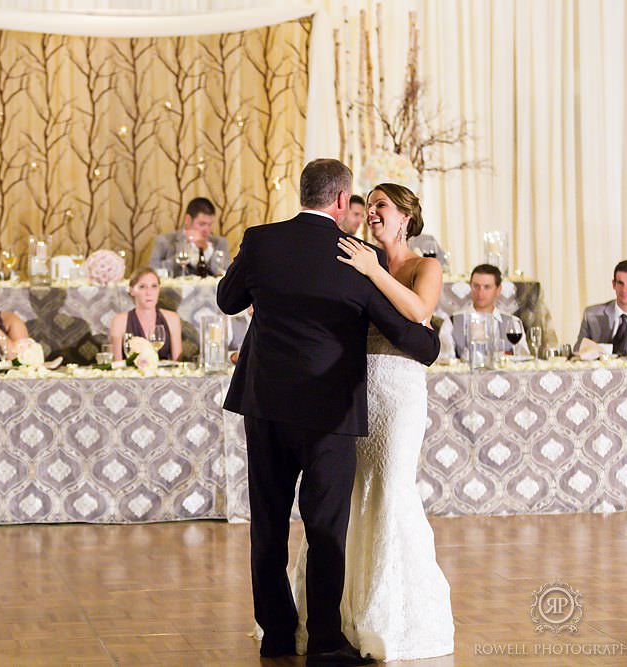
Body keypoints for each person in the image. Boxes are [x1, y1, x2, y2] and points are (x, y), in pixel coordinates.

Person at [217, 159, 439, 666]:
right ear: (342, 201)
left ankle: (276, 633)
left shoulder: (260, 240)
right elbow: (405, 332)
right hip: (329, 413)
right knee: (325, 526)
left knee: (268, 522)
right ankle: (324, 642)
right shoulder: (354, 256)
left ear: (304, 193)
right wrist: (428, 344)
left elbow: (228, 300)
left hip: (266, 404)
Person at [333, 183, 455, 661]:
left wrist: (373, 271)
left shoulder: (425, 266)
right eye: (370, 205)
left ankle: (395, 615)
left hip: (400, 389)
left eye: (381, 205)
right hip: (356, 384)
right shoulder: (356, 257)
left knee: (392, 486)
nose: (372, 213)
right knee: (355, 489)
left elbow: (419, 311)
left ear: (405, 216)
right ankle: (347, 610)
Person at [445, 264, 531, 359]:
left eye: (487, 287)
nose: (480, 292)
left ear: (498, 290)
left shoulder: (513, 323)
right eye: (476, 286)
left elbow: (524, 359)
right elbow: (443, 360)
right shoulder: (452, 322)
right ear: (470, 287)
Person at [575, 260, 627, 355]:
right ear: (613, 284)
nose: (624, 290)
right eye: (620, 283)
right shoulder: (591, 315)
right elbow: (578, 353)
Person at [108, 267, 182, 361]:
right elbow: (116, 365)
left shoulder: (172, 319)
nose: (149, 292)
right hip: (130, 375)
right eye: (142, 287)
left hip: (164, 374)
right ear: (132, 290)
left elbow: (178, 363)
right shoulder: (119, 321)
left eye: (154, 286)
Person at [149, 197, 230, 277]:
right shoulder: (164, 241)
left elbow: (226, 274)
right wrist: (183, 255)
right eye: (202, 224)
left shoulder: (219, 243)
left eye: (209, 225)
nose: (207, 230)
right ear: (188, 220)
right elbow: (153, 271)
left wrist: (207, 250)